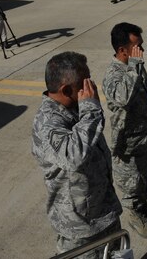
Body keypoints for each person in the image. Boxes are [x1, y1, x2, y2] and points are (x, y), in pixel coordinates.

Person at [32, 52, 123, 258]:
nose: (90, 89)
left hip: (103, 212)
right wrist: (91, 109)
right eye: (84, 84)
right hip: (80, 228)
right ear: (65, 90)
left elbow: (90, 139)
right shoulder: (47, 123)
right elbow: (74, 155)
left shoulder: (73, 106)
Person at [102, 23, 147, 240]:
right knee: (132, 183)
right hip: (128, 143)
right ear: (123, 50)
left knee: (146, 175)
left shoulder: (135, 65)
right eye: (137, 46)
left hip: (145, 134)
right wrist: (134, 65)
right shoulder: (113, 74)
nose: (142, 49)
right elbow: (122, 97)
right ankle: (134, 214)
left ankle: (143, 206)